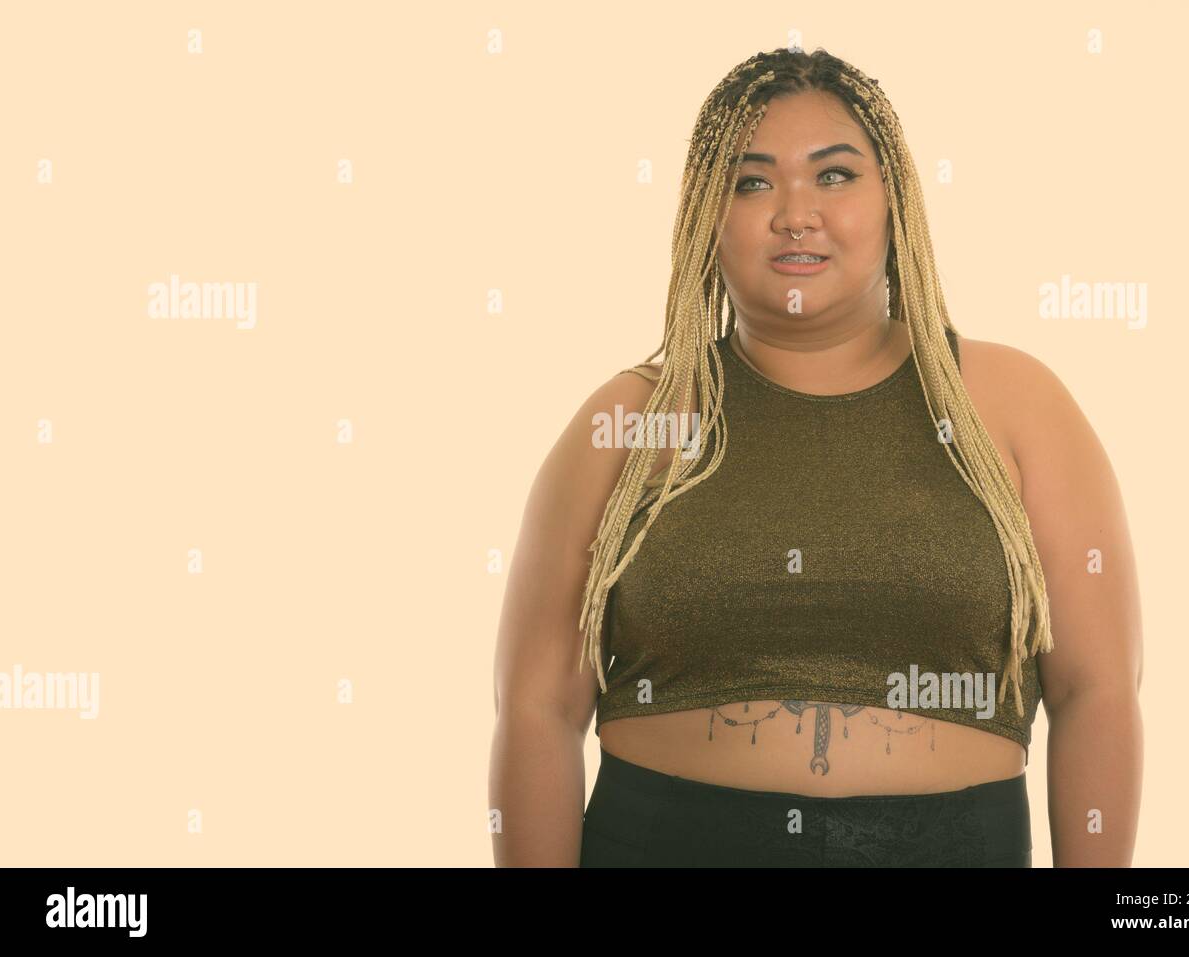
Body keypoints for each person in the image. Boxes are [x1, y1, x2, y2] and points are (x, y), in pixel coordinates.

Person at [490, 46, 1143, 867]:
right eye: (750, 182)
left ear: (894, 198)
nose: (795, 214)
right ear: (703, 216)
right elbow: (537, 711)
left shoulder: (1016, 404)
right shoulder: (632, 420)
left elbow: (1096, 692)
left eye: (834, 175)